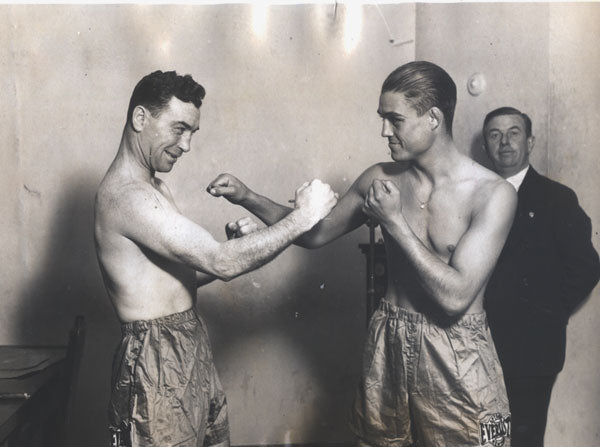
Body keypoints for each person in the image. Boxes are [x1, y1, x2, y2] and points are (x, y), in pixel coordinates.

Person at [207, 61, 516, 447]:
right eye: (382, 118)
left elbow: (455, 298)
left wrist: (395, 223)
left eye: (395, 119)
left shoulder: (492, 194)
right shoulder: (380, 178)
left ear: (433, 118)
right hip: (389, 336)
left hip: (457, 350)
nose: (384, 131)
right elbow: (316, 232)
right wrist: (248, 197)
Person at [94, 70, 337, 447]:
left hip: (188, 341)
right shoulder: (127, 197)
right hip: (155, 359)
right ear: (140, 118)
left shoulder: (153, 187)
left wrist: (236, 244)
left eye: (192, 132)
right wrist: (303, 217)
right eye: (179, 128)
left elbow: (183, 280)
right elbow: (220, 263)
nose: (186, 145)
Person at [482, 107, 600, 447]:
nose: (504, 142)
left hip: (532, 349)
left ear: (530, 141)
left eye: (514, 132)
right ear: (487, 146)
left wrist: (544, 312)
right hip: (481, 347)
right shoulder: (475, 195)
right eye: (494, 134)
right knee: (485, 439)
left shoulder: (556, 199)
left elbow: (586, 267)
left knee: (523, 439)